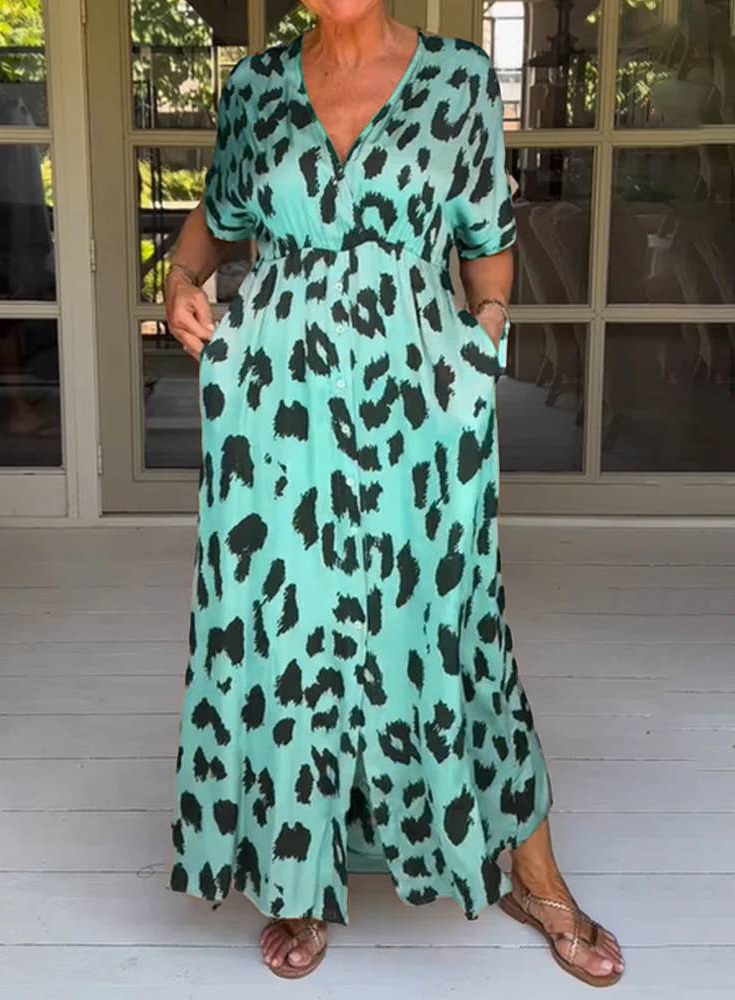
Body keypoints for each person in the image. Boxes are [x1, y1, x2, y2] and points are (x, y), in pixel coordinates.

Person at [164, 4, 625, 988]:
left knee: (447, 620)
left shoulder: (457, 78)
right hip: (277, 415)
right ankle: (299, 874)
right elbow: (213, 223)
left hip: (416, 410)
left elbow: (486, 237)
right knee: (288, 636)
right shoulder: (254, 89)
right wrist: (178, 282)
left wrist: (482, 335)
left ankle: (531, 872)